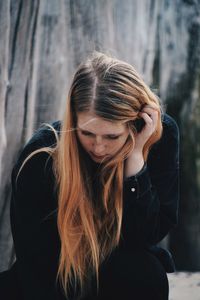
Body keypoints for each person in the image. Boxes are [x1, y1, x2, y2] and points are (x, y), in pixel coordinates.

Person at [0, 51, 179, 300]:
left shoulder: (158, 137)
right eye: (87, 133)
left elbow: (147, 235)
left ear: (136, 124)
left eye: (111, 137)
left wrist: (135, 162)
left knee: (148, 276)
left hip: (114, 268)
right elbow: (36, 262)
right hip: (54, 274)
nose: (98, 147)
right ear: (73, 118)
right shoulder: (41, 159)